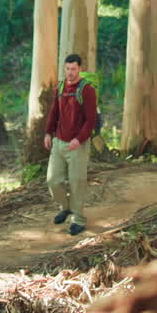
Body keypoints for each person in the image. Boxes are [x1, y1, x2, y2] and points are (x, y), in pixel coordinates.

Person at [43, 53, 98, 235]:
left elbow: (90, 120)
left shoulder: (87, 90)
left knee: (77, 183)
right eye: (67, 69)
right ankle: (65, 207)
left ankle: (78, 219)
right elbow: (54, 112)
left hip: (77, 145)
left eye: (73, 69)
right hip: (59, 142)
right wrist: (48, 133)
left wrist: (79, 139)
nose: (70, 72)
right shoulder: (60, 87)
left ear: (80, 69)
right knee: (53, 180)